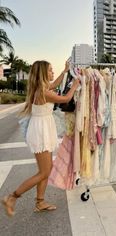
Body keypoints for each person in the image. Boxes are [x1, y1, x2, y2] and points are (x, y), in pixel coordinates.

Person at [2, 60, 80, 217]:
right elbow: (64, 99)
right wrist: (75, 85)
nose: (52, 73)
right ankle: (12, 197)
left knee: (46, 170)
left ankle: (40, 202)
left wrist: (64, 71)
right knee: (44, 172)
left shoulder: (42, 88)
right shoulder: (44, 92)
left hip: (42, 128)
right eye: (50, 70)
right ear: (43, 73)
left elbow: (54, 84)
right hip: (41, 132)